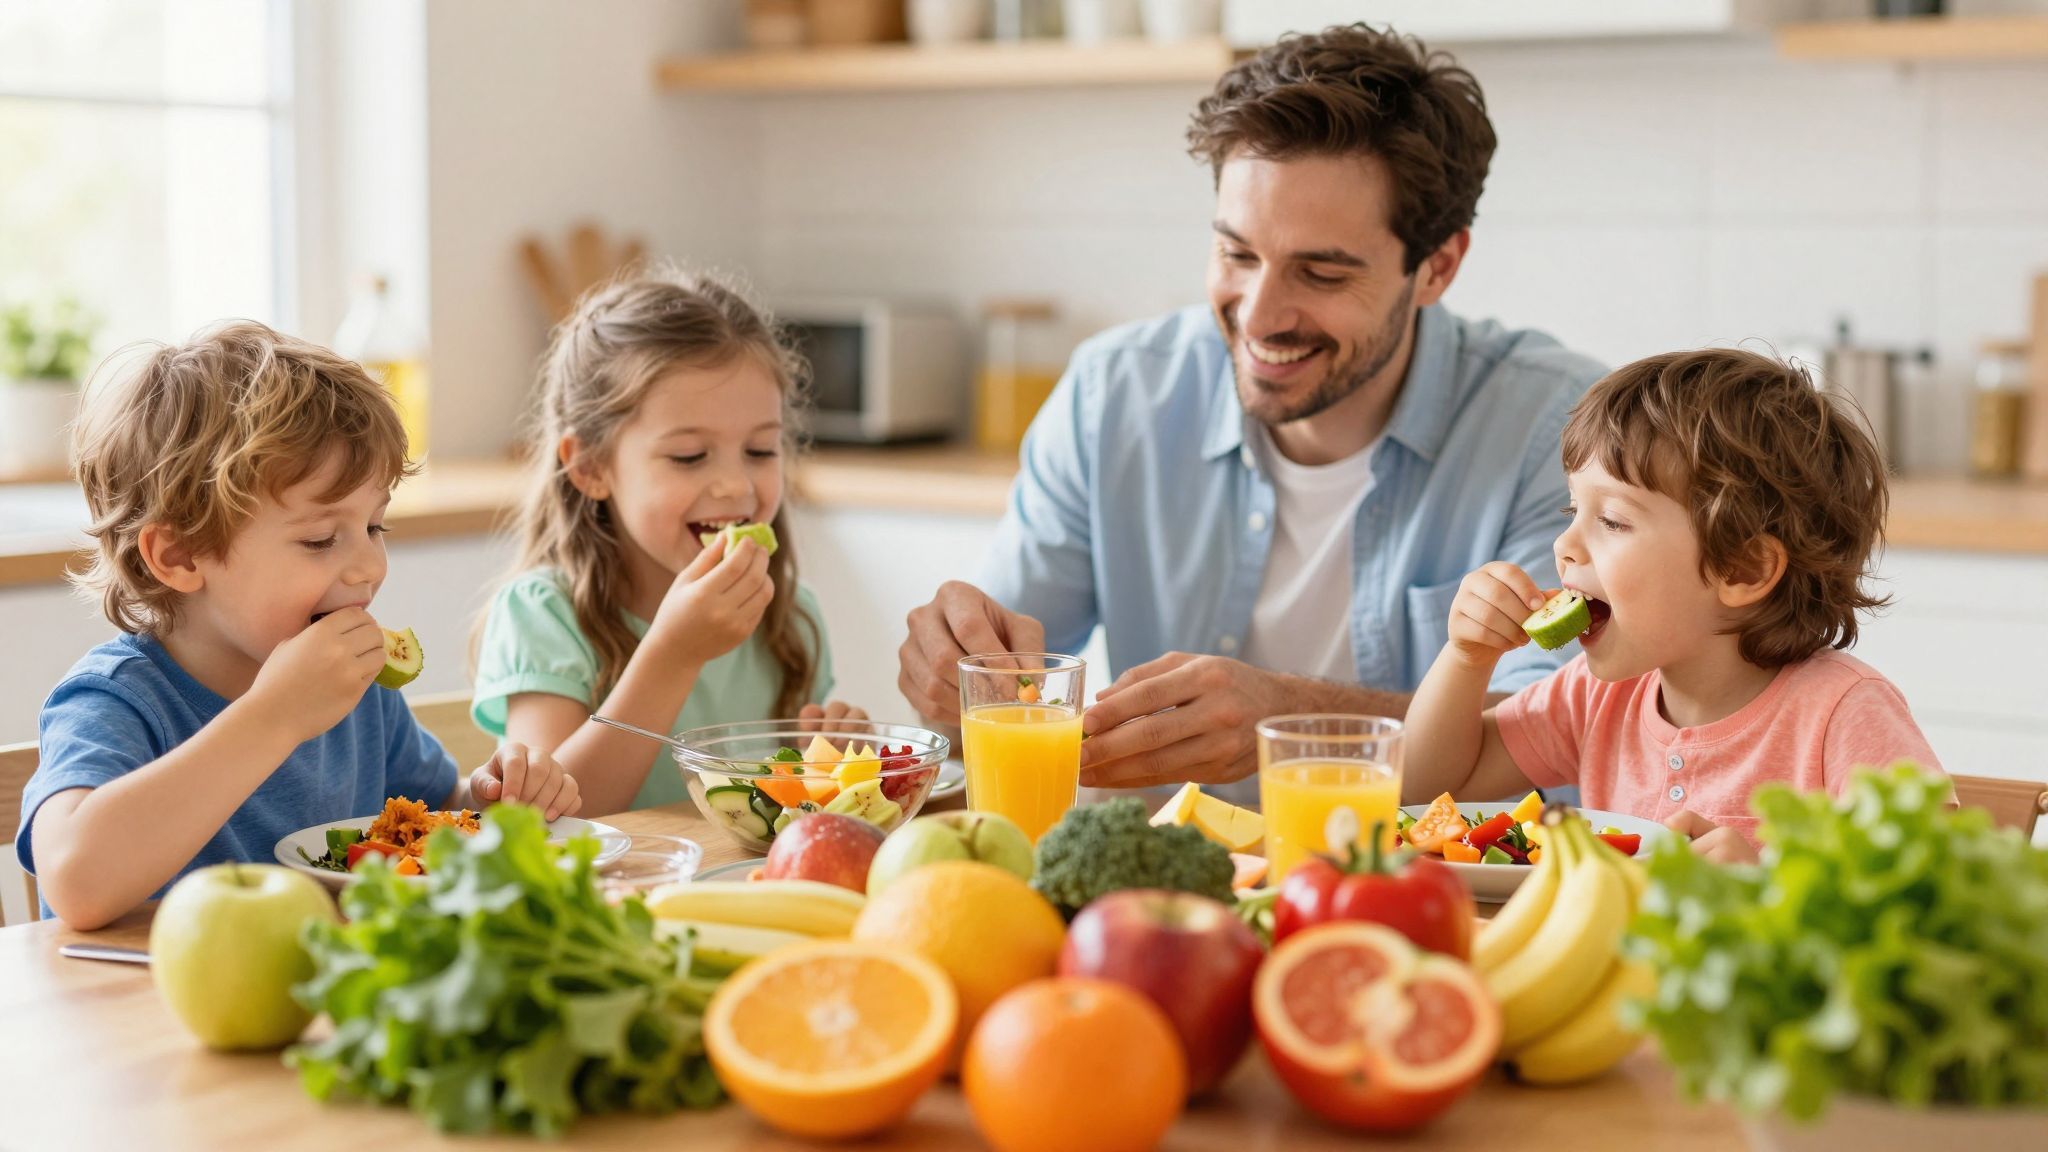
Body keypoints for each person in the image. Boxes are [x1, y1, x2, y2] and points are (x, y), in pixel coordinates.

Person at [897, 25, 1604, 803]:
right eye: (1238, 255)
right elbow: (999, 687)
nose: (1261, 316)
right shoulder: (1114, 395)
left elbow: (1571, 736)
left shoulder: (1562, 432)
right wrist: (956, 670)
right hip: (1158, 899)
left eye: (1322, 272)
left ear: (1437, 266)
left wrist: (1294, 716)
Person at [17, 322, 578, 929]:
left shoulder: (355, 690)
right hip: (142, 1012)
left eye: (374, 527)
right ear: (179, 556)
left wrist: (493, 803)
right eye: (318, 540)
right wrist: (274, 716)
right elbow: (76, 880)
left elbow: (436, 815)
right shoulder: (116, 702)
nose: (369, 567)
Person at [1401, 348, 1944, 861]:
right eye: (1573, 510)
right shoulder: (1595, 698)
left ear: (1743, 569)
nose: (1564, 547)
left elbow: (1928, 893)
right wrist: (1465, 660)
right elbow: (1426, 791)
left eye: (1612, 521)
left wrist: (1766, 883)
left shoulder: (1844, 713)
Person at [472, 271, 863, 815]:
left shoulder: (792, 618)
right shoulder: (543, 616)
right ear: (590, 466)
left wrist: (836, 764)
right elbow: (540, 820)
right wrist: (673, 655)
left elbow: (788, 815)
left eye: (760, 451)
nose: (736, 485)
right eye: (688, 456)